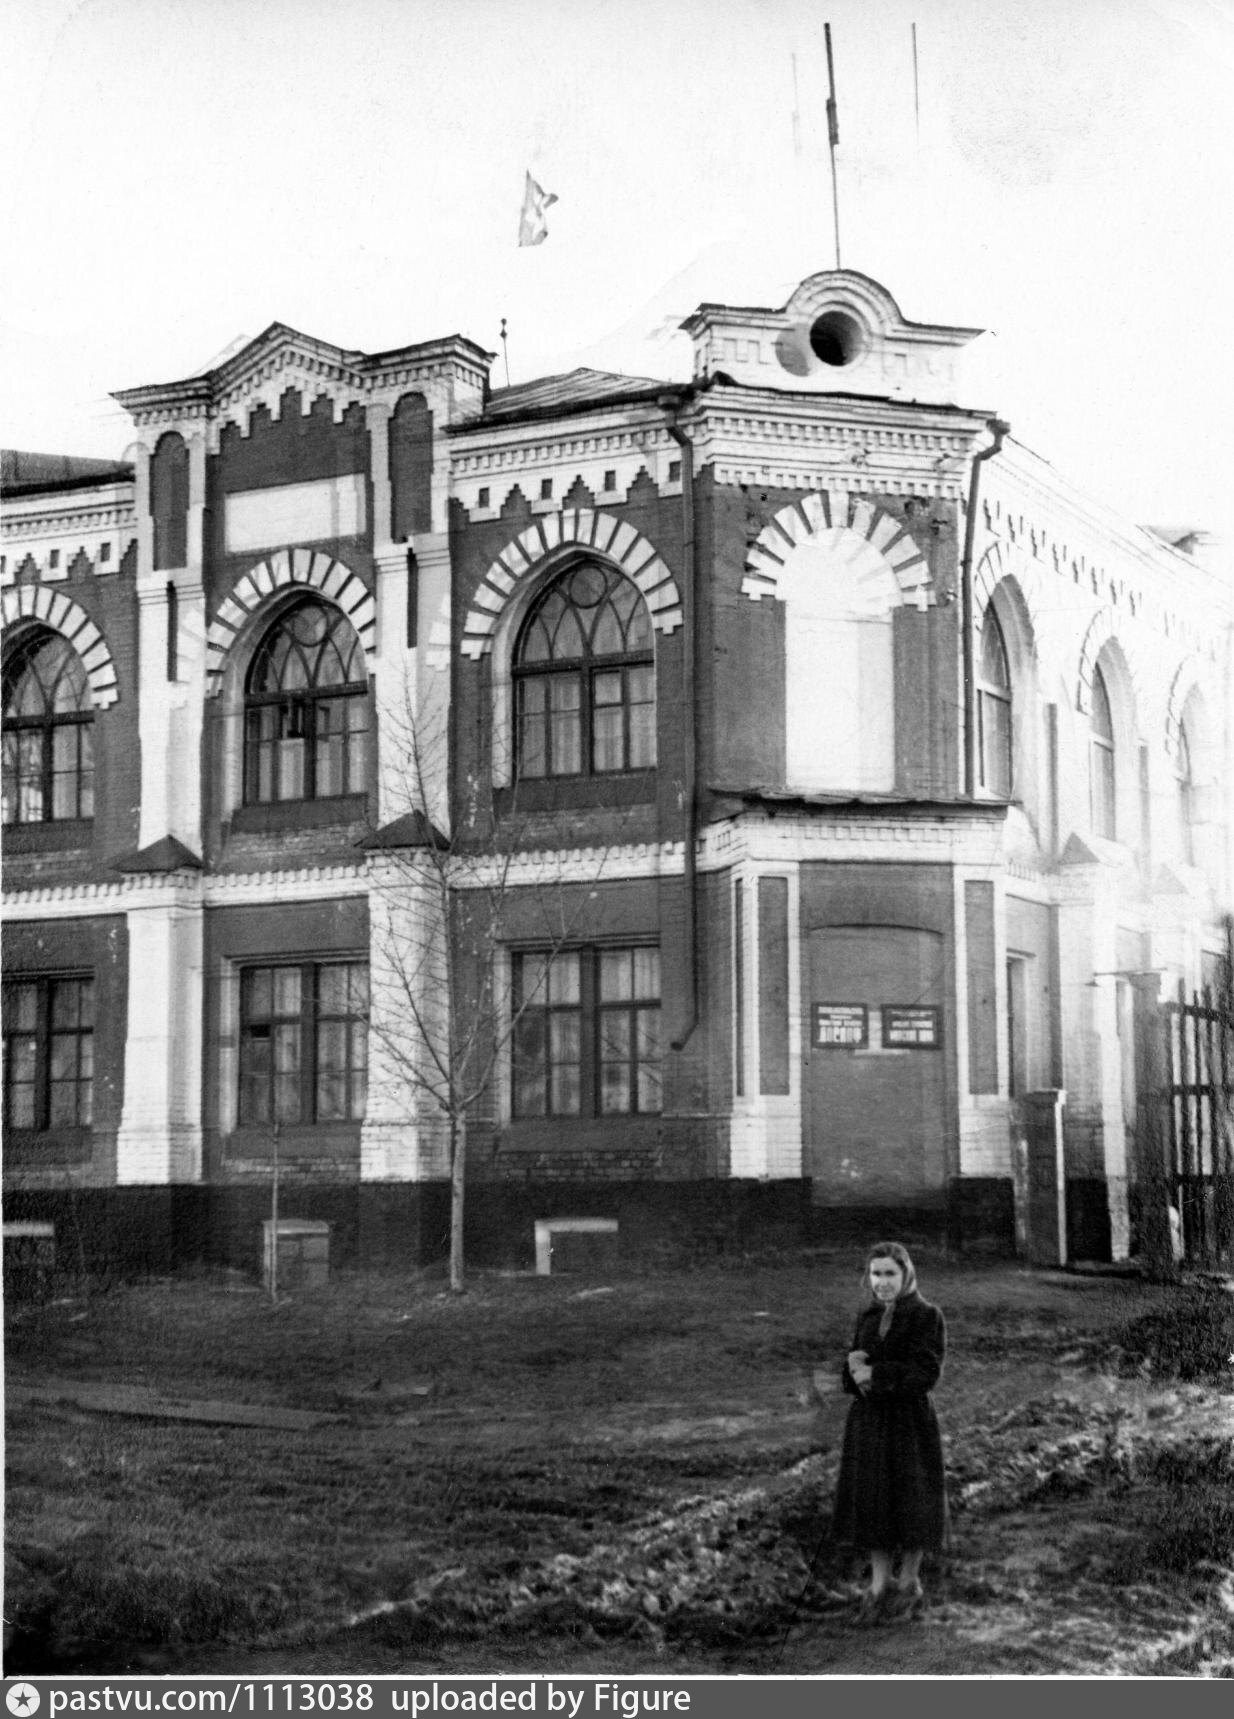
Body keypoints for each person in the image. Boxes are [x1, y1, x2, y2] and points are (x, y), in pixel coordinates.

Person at [832, 1241, 947, 1624]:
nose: (882, 1282)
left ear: (906, 1275)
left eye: (889, 1274)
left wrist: (877, 1374)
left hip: (908, 1422)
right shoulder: (867, 1316)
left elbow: (926, 1373)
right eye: (875, 1274)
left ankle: (909, 1583)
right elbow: (852, 1375)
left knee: (913, 1500)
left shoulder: (927, 1316)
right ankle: (879, 1585)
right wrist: (852, 1371)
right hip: (870, 1422)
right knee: (874, 1501)